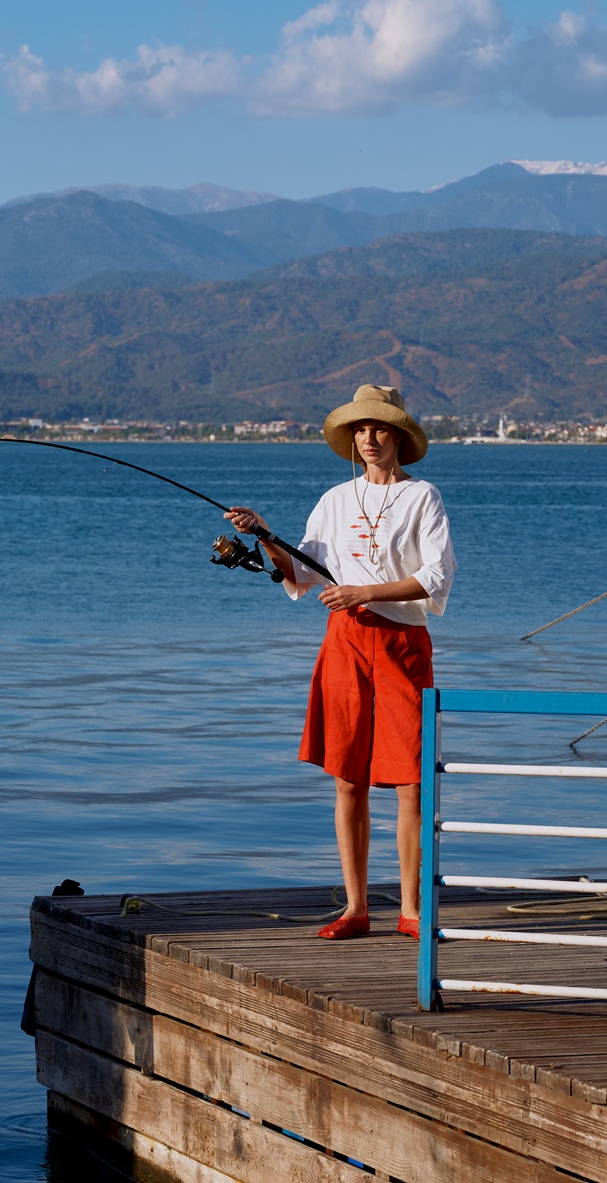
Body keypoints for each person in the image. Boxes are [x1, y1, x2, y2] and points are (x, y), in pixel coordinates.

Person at [226, 385, 456, 941]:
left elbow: (435, 579)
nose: (369, 438)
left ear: (398, 436)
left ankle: (412, 909)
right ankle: (355, 908)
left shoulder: (423, 496)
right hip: (343, 646)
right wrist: (264, 537)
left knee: (411, 782)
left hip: (402, 646)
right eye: (360, 429)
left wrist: (363, 592)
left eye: (379, 428)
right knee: (347, 779)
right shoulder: (333, 500)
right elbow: (301, 575)